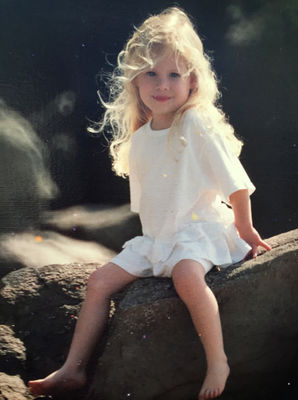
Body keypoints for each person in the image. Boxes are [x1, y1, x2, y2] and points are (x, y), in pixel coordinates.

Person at [28, 7, 271, 399]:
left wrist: (244, 230)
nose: (162, 84)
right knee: (98, 282)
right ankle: (72, 369)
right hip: (159, 238)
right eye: (151, 74)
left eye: (174, 74)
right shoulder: (141, 138)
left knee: (187, 277)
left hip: (199, 231)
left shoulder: (194, 124)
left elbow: (235, 184)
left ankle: (218, 361)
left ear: (192, 81)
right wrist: (151, 248)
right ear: (135, 81)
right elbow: (151, 208)